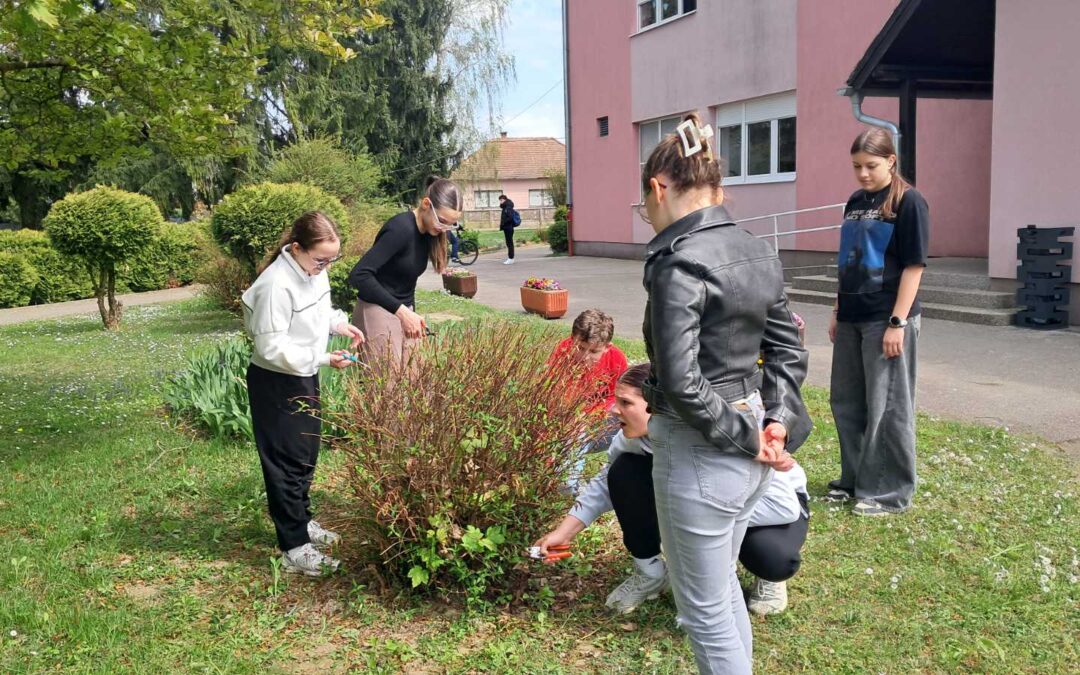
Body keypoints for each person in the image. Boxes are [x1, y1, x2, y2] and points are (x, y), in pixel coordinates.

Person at [640, 112, 810, 674]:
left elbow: (683, 379)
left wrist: (747, 438)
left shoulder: (677, 260)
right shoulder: (757, 248)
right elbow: (788, 349)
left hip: (703, 448)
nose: (646, 215)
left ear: (659, 188)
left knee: (705, 612)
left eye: (646, 202)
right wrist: (775, 421)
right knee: (720, 598)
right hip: (750, 434)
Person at [533, 364, 809, 617]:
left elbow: (784, 507)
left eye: (626, 403)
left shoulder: (726, 434)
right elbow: (605, 484)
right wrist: (564, 532)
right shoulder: (633, 438)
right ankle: (650, 573)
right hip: (701, 506)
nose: (613, 411)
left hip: (773, 511)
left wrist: (695, 515)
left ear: (656, 408)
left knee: (774, 559)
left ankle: (770, 580)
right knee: (624, 471)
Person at [241, 212, 366, 577]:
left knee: (306, 453)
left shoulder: (312, 271)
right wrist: (325, 357)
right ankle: (293, 548)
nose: (325, 266)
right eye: (320, 259)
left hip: (304, 374)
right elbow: (270, 348)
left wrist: (338, 323)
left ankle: (302, 522)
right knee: (286, 462)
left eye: (332, 260)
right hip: (276, 380)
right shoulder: (276, 284)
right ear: (296, 248)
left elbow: (321, 308)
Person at [826, 128, 930, 516]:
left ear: (890, 161)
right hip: (852, 316)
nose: (863, 174)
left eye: (871, 166)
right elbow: (847, 260)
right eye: (856, 167)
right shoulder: (855, 201)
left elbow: (914, 266)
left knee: (887, 406)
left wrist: (897, 322)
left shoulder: (909, 201)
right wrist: (838, 310)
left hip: (886, 318)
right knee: (847, 401)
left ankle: (889, 492)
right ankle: (854, 479)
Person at [348, 177, 462, 368]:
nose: (445, 229)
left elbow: (407, 282)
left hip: (402, 310)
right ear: (426, 204)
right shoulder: (400, 229)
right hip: (376, 309)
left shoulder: (429, 233)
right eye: (442, 221)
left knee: (413, 383)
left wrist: (411, 314)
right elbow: (359, 275)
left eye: (451, 224)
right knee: (387, 388)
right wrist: (402, 312)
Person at [548, 309, 629, 492]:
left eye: (593, 351)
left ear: (608, 347)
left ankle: (618, 475)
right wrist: (576, 420)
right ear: (571, 340)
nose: (584, 357)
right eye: (580, 348)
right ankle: (569, 484)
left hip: (599, 420)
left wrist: (592, 416)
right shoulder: (563, 352)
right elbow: (556, 396)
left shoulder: (616, 358)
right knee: (565, 483)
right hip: (569, 424)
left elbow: (616, 397)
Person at [498, 194, 516, 265]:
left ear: (505, 200)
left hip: (508, 227)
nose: (500, 202)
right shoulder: (505, 207)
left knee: (509, 243)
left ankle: (511, 258)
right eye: (500, 200)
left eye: (501, 200)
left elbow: (510, 217)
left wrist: (504, 223)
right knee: (508, 243)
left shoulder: (508, 207)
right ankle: (511, 258)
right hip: (507, 227)